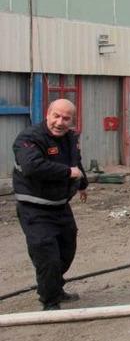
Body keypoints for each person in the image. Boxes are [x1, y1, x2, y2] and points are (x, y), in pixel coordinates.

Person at [12, 99, 88, 310]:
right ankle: (50, 302)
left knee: (66, 250)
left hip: (60, 206)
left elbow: (76, 161)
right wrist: (67, 173)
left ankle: (54, 287)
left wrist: (82, 184)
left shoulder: (70, 138)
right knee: (47, 256)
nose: (60, 122)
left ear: (72, 120)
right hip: (34, 207)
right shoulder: (29, 138)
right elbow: (31, 167)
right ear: (47, 114)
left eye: (66, 118)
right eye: (56, 116)